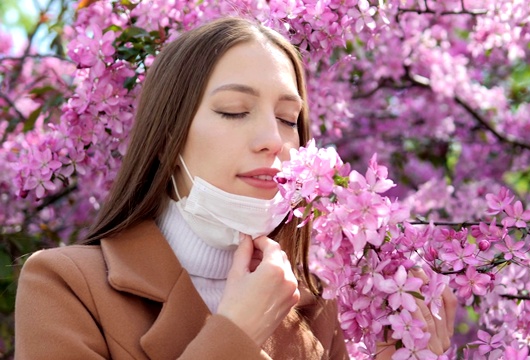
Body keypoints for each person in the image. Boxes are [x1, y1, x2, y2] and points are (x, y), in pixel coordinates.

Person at [14, 17, 456, 359]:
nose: (273, 139)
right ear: (169, 135)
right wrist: (235, 334)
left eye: (287, 119)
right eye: (233, 110)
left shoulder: (320, 310)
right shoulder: (66, 284)